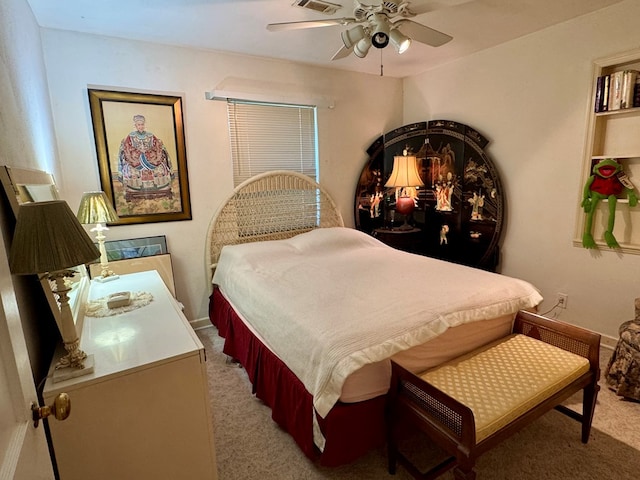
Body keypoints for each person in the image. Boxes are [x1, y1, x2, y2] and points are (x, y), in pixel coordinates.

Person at [118, 115, 173, 200]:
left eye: (142, 124)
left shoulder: (150, 135)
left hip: (151, 158)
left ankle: (161, 189)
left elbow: (156, 145)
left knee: (162, 167)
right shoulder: (131, 136)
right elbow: (127, 148)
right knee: (130, 170)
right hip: (135, 159)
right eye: (139, 125)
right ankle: (133, 191)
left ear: (144, 125)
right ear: (135, 126)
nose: (141, 126)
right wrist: (138, 153)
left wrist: (149, 153)